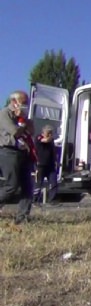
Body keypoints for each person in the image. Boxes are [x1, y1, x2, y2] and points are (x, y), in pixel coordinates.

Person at [0, 90, 36, 224]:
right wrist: (22, 123)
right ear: (14, 102)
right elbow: (15, 132)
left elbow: (31, 131)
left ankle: (22, 218)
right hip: (8, 151)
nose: (26, 105)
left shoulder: (25, 116)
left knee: (27, 186)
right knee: (12, 186)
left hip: (23, 153)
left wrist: (25, 121)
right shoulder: (5, 114)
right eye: (24, 102)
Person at [35, 125, 59, 204]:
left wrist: (55, 160)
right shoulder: (38, 137)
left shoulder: (51, 141)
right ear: (44, 132)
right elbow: (45, 140)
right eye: (48, 133)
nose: (50, 135)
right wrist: (50, 137)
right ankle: (35, 200)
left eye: (51, 133)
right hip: (41, 164)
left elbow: (53, 150)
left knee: (53, 182)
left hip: (50, 165)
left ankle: (52, 199)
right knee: (39, 183)